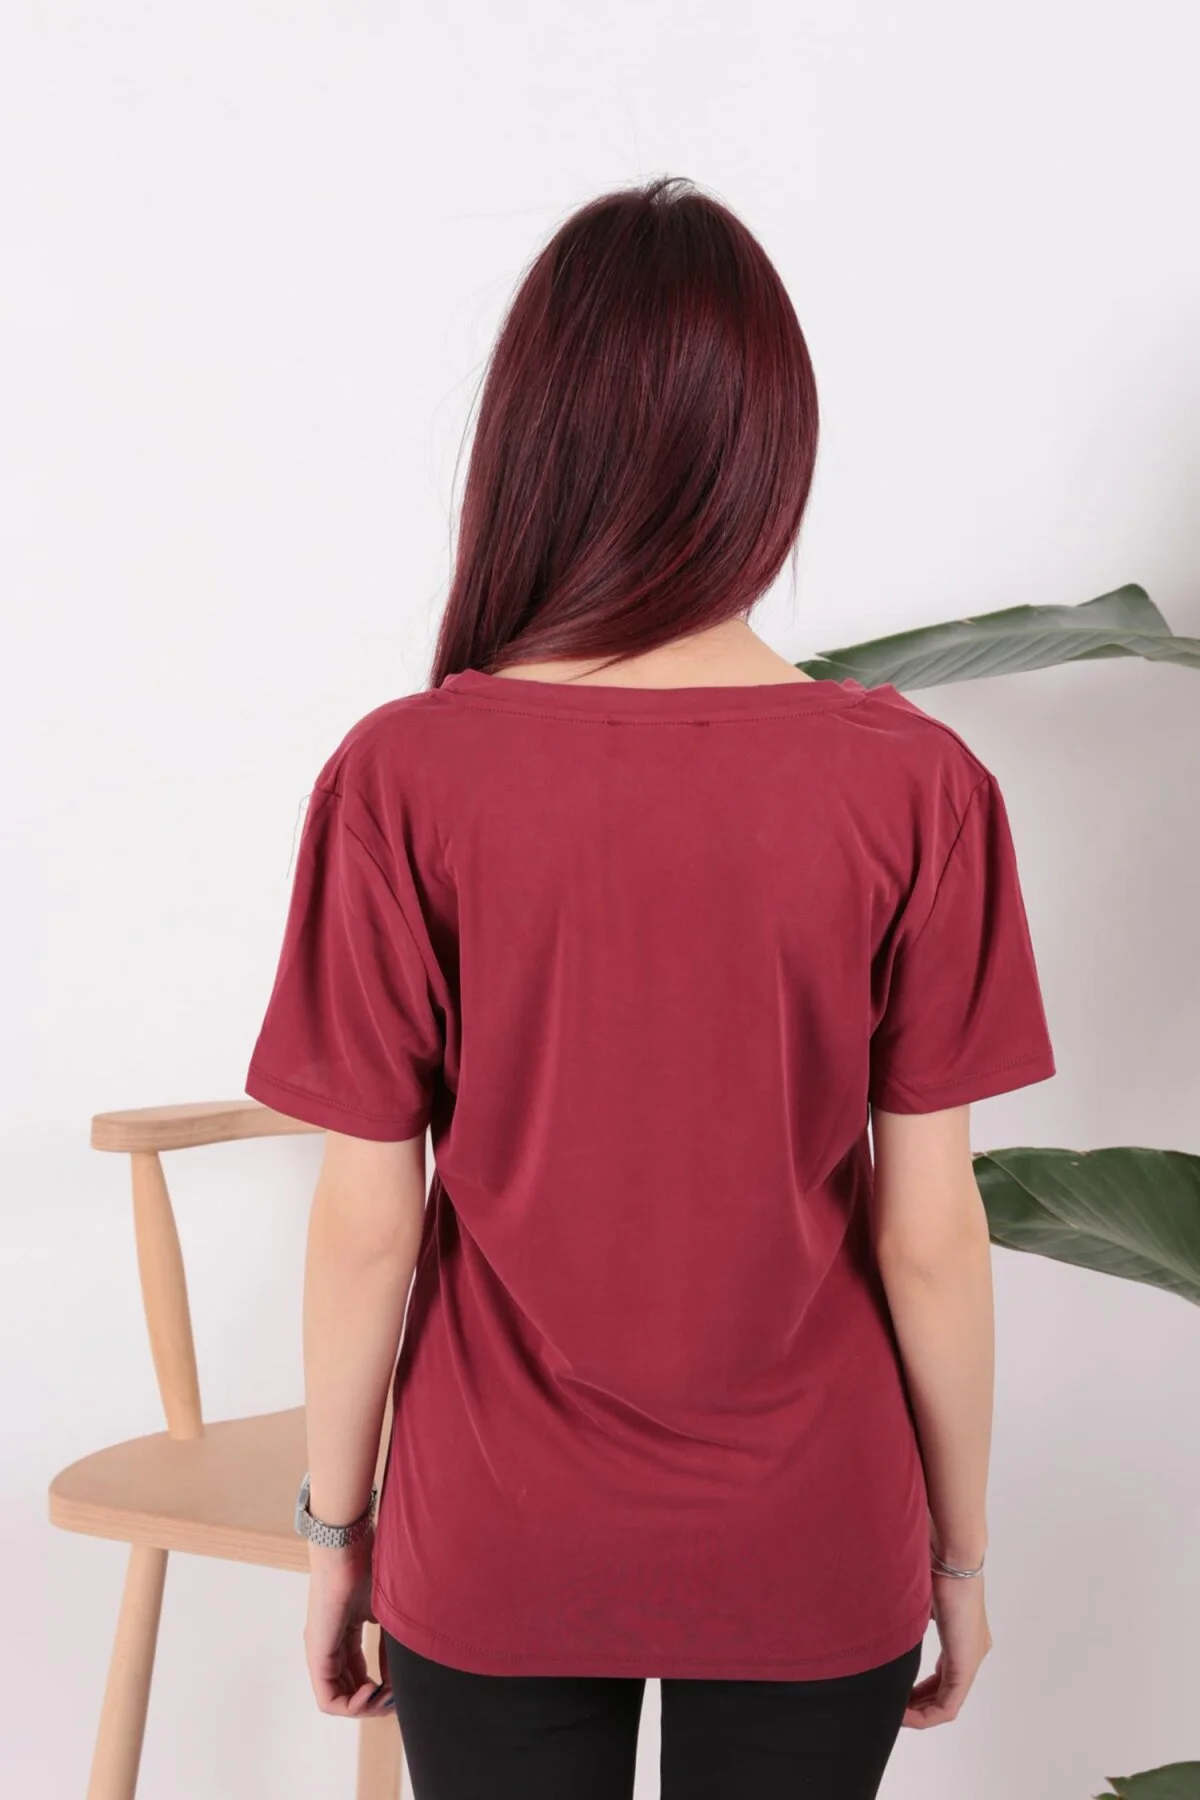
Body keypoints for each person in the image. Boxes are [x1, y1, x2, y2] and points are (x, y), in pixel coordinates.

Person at [244, 175, 1056, 1799]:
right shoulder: (916, 788)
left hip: (497, 1540)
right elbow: (930, 1236)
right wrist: (958, 1563)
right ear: (770, 450)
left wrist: (337, 1534)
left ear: (531, 444)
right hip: (811, 1538)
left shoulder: (405, 777)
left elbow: (366, 1225)